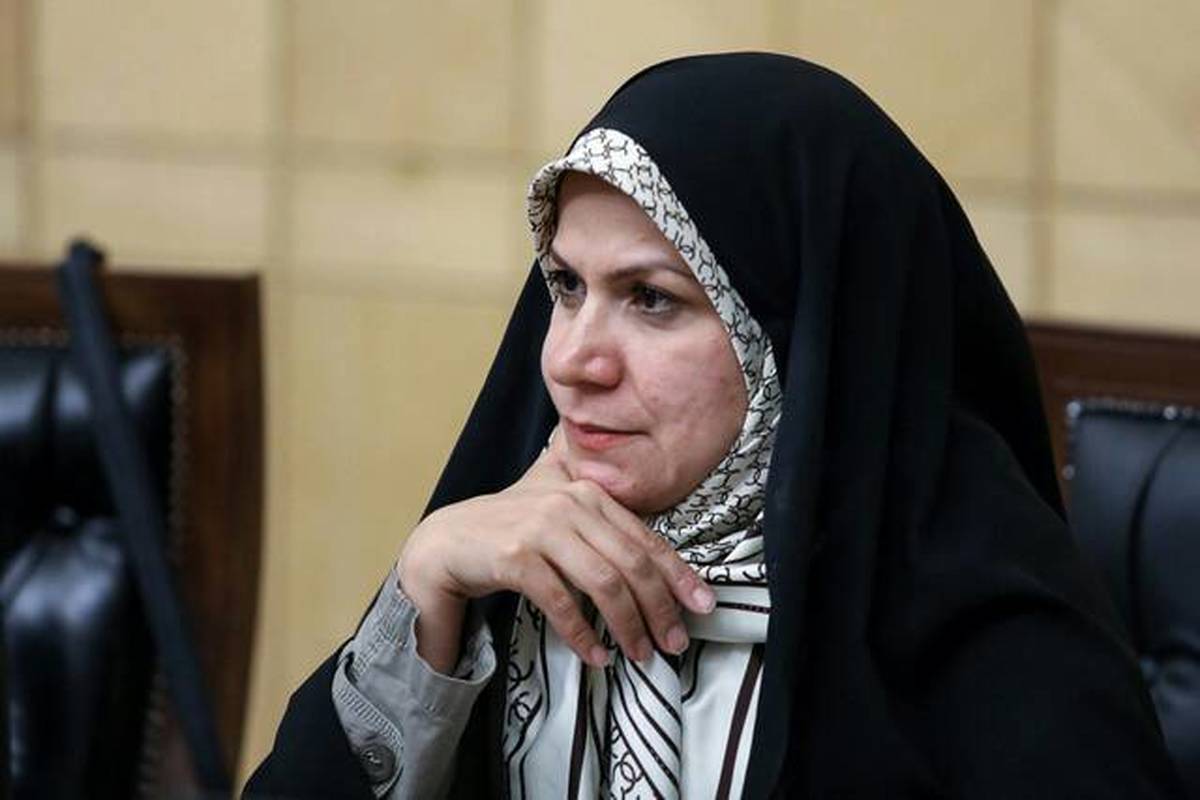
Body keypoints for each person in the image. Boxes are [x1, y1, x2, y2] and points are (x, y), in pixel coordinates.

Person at [246, 53, 1184, 799]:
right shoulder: (498, 575)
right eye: (565, 286)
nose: (571, 359)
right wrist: (422, 591)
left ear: (800, 340)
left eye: (652, 299)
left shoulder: (1000, 654)